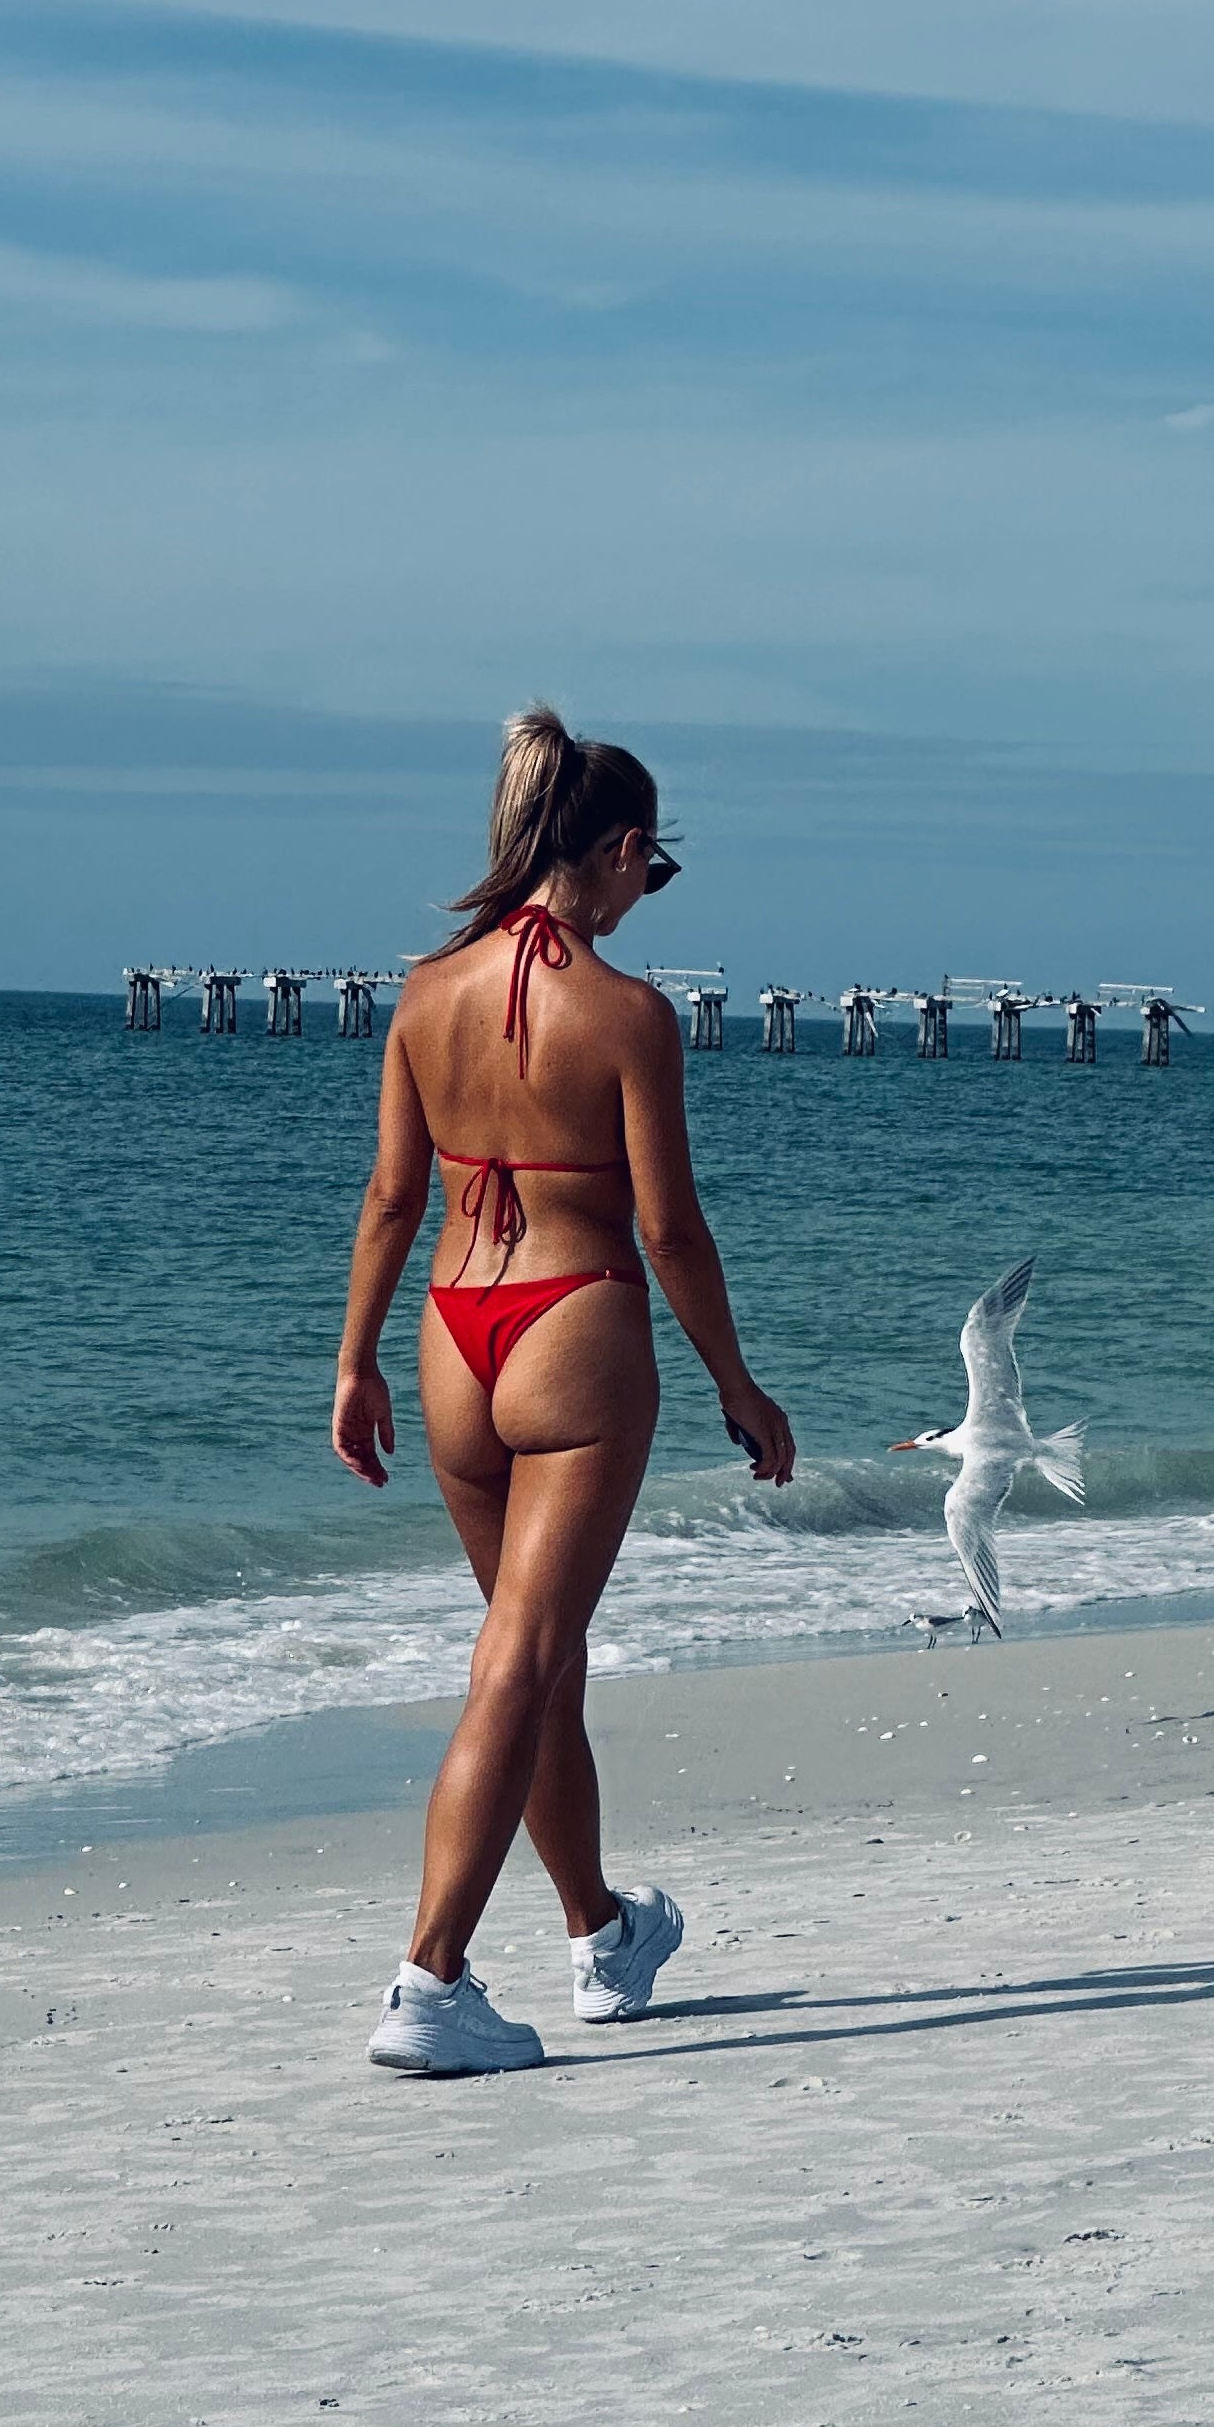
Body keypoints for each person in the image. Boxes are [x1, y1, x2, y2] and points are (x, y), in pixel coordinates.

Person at [332, 709, 795, 2074]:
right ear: (621, 852)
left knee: (534, 1658)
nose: (642, 901)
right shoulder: (630, 1016)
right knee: (523, 1656)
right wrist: (739, 1385)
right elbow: (667, 1232)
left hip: (452, 1333)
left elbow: (390, 1197)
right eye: (646, 879)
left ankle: (603, 1934)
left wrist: (353, 1361)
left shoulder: (424, 993)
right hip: (575, 1330)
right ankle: (430, 1979)